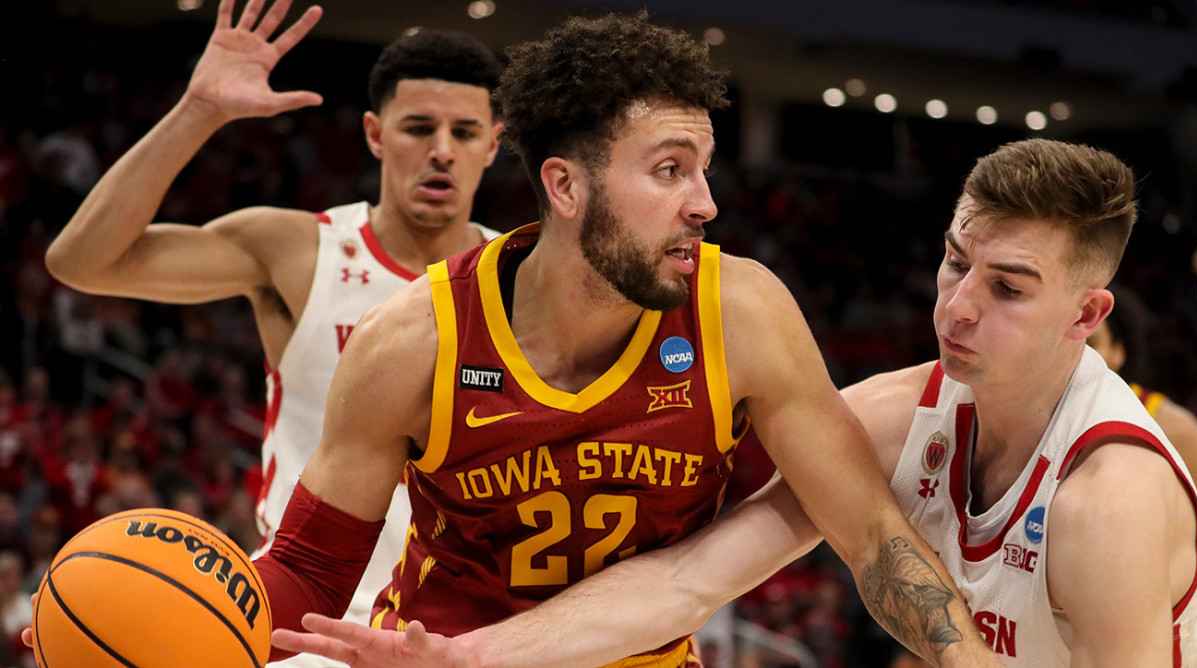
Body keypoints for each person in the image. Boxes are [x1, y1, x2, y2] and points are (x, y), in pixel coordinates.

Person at [250, 11, 1001, 668]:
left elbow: (870, 532)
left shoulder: (739, 312)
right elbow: (309, 570)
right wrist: (190, 624)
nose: (704, 204)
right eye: (670, 170)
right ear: (567, 187)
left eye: (703, 170)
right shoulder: (414, 341)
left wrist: (968, 659)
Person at [273, 140, 1197, 667]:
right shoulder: (895, 417)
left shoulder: (1102, 501)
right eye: (958, 261)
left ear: (1088, 314)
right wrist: (469, 658)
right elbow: (690, 579)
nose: (956, 305)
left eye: (1009, 288)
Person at [40, 0, 505, 665]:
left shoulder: (527, 276)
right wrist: (197, 111)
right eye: (418, 127)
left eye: (464, 131)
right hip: (306, 621)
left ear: (495, 142)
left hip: (468, 632)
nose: (440, 150)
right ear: (374, 134)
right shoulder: (299, 250)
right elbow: (83, 260)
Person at [1086, 284, 1197, 477]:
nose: (1079, 355)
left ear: (1118, 352)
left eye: (1091, 345)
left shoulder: (1174, 427)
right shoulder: (1036, 414)